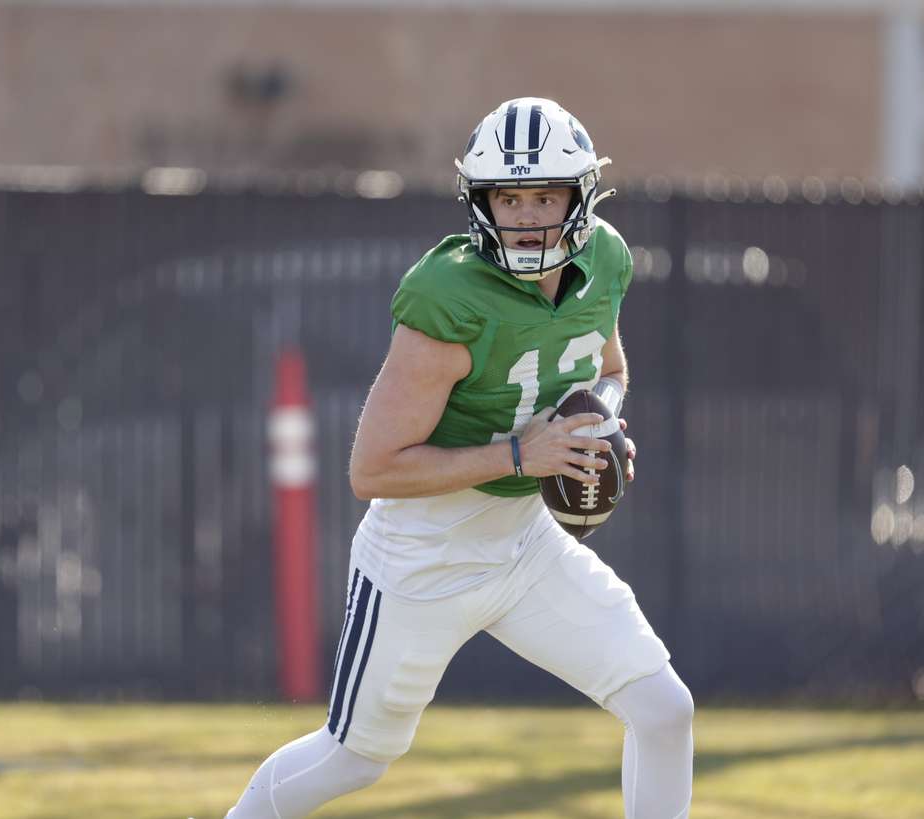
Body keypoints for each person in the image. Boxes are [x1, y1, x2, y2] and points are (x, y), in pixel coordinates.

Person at [225, 98, 693, 819]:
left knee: (664, 708)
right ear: (481, 204)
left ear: (582, 197)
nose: (531, 216)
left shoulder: (605, 258)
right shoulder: (448, 296)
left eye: (546, 195)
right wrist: (520, 451)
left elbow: (612, 368)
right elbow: (372, 470)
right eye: (510, 197)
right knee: (353, 758)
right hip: (423, 553)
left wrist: (600, 422)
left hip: (523, 542)